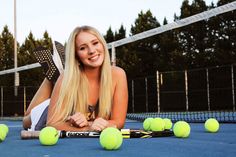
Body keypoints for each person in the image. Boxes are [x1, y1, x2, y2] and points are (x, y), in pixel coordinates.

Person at [23, 25, 128, 132]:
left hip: (62, 101)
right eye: (83, 48)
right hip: (57, 111)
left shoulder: (118, 75)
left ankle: (55, 76)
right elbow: (52, 123)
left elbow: (118, 122)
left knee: (60, 84)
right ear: (76, 56)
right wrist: (88, 128)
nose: (91, 51)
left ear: (103, 44)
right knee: (27, 120)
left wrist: (90, 123)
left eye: (95, 43)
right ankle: (50, 79)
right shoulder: (67, 78)